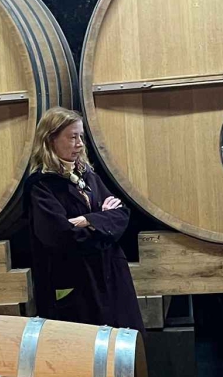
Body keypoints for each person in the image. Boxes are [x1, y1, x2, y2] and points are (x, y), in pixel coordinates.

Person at [25, 108, 143, 329]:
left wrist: (87, 220)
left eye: (81, 137)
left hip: (110, 275)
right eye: (72, 137)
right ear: (50, 140)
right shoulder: (41, 186)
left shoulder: (87, 175)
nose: (79, 144)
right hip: (76, 280)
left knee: (119, 341)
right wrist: (103, 222)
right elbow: (60, 236)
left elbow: (121, 215)